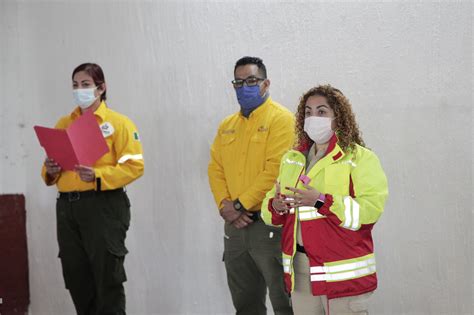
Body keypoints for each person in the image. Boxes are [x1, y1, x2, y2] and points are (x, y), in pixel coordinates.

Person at [261, 85, 388, 314]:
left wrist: (321, 200)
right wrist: (276, 206)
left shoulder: (359, 158)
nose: (313, 118)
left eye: (321, 112)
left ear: (338, 116)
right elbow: (269, 210)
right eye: (308, 112)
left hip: (342, 273)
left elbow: (370, 210)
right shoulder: (293, 159)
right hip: (301, 270)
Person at [41, 63, 144, 315]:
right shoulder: (64, 122)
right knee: (77, 277)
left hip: (103, 205)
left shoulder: (119, 123)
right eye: (75, 85)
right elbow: (51, 166)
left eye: (85, 84)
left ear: (101, 88)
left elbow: (134, 166)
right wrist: (50, 169)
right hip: (67, 208)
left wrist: (98, 176)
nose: (80, 90)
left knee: (107, 277)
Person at [208, 56, 294, 315]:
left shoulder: (282, 120)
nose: (244, 86)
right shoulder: (227, 126)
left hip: (268, 226)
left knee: (284, 303)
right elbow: (215, 168)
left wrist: (238, 205)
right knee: (245, 305)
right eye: (239, 82)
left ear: (266, 83)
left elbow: (275, 171)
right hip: (234, 229)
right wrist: (225, 206)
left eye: (251, 81)